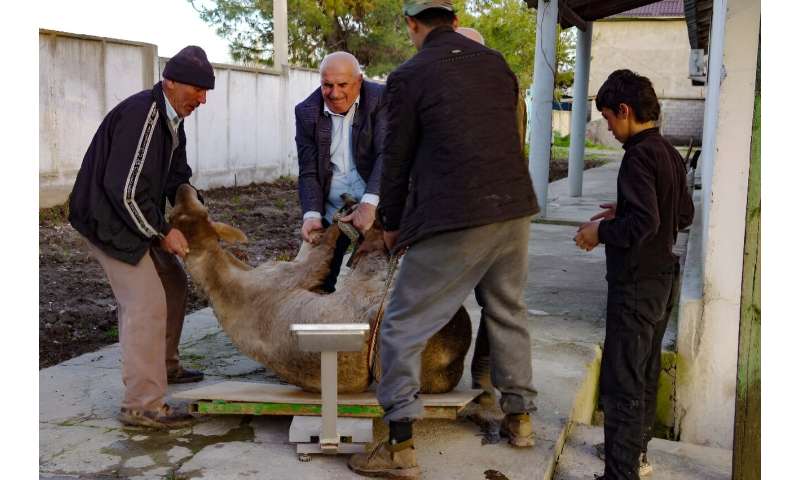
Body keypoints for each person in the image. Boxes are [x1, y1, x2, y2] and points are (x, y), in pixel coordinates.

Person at [348, 2, 540, 477]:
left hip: (456, 212)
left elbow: (396, 158)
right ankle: (520, 421)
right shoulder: (496, 64)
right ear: (454, 22)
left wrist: (389, 221)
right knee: (507, 309)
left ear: (413, 24)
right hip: (513, 207)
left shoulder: (409, 76)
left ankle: (399, 447)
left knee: (400, 325)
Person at [68, 46, 215, 429]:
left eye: (206, 91)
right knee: (145, 302)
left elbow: (174, 173)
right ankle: (142, 404)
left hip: (133, 216)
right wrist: (163, 231)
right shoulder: (143, 116)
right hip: (107, 219)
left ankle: (164, 366)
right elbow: (124, 191)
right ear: (169, 81)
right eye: (196, 89)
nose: (201, 99)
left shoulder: (172, 118)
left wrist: (189, 199)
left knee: (173, 282)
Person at [573, 69, 694, 479]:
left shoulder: (639, 155)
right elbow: (682, 215)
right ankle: (634, 456)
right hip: (663, 280)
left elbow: (644, 224)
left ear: (625, 110)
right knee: (644, 374)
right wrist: (622, 210)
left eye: (608, 119)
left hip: (637, 285)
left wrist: (599, 231)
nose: (608, 127)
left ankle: (619, 472)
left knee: (622, 381)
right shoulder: (669, 153)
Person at [455, 25, 530, 409]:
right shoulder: (507, 85)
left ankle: (479, 384)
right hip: (507, 207)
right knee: (503, 305)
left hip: (471, 211)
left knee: (424, 300)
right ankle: (514, 409)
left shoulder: (465, 89)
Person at [294, 51, 386, 292]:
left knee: (378, 277)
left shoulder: (382, 99)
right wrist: (312, 214)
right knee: (309, 281)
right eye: (327, 85)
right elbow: (309, 171)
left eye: (342, 84)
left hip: (376, 199)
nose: (334, 93)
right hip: (332, 206)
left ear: (359, 81)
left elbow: (386, 154)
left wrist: (369, 204)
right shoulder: (306, 112)